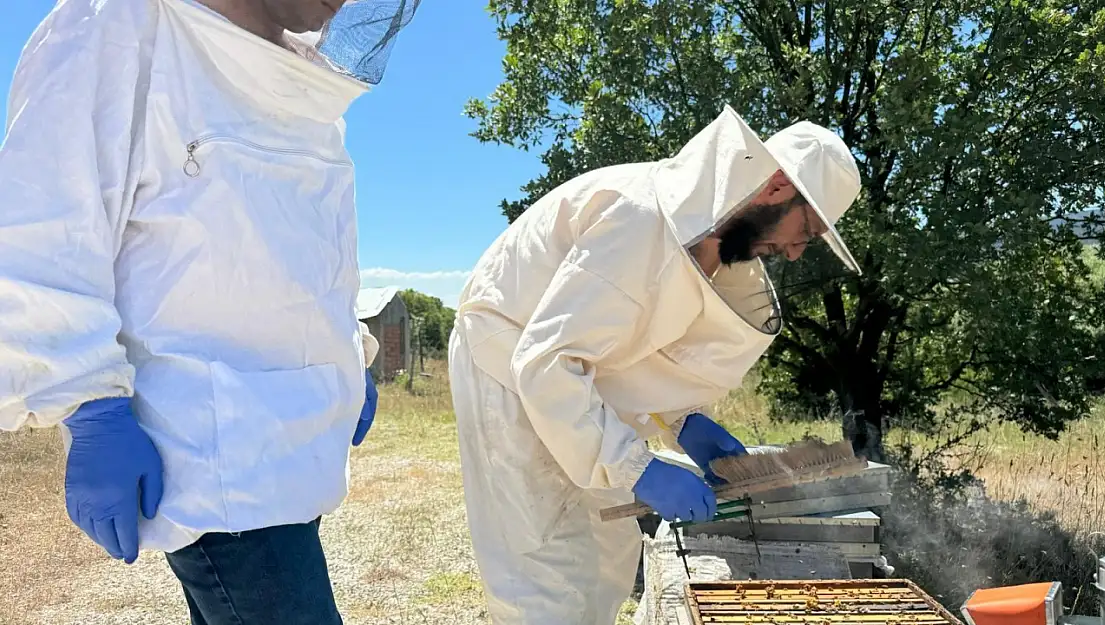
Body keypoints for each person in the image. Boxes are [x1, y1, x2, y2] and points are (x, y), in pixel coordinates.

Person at [0, 0, 417, 623]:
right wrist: (88, 407)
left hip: (296, 453)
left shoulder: (304, 94)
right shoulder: (117, 25)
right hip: (209, 462)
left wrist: (349, 352)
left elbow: (295, 262)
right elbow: (41, 226)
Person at [448, 106, 864, 624]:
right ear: (777, 186)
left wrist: (681, 419)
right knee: (541, 568)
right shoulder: (642, 219)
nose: (797, 254)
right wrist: (636, 468)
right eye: (806, 230)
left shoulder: (705, 238)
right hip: (506, 365)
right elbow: (550, 360)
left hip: (572, 377)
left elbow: (637, 347)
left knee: (607, 553)